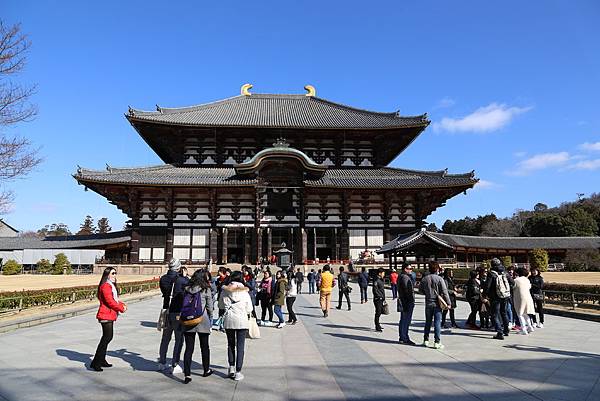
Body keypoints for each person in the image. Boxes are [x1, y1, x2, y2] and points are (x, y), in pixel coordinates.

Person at [219, 271, 253, 381]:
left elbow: (220, 305)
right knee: (240, 346)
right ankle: (238, 371)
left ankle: (231, 367)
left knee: (230, 344)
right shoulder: (245, 292)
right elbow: (250, 309)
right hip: (242, 320)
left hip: (229, 319)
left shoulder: (225, 291)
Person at [181, 269, 214, 383]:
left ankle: (187, 374)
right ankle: (206, 370)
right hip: (202, 319)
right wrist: (211, 319)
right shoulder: (206, 289)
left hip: (189, 320)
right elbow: (210, 307)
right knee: (205, 347)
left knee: (189, 348)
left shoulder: (187, 289)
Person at [91, 267, 127, 371]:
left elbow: (114, 300)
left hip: (109, 315)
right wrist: (121, 308)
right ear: (107, 275)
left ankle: (101, 360)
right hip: (105, 315)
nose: (115, 275)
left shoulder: (109, 285)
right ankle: (96, 362)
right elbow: (110, 302)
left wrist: (122, 305)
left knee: (106, 338)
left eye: (115, 273)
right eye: (113, 273)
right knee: (107, 338)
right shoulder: (106, 286)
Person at [158, 258, 189, 373]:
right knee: (179, 339)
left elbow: (164, 292)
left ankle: (162, 362)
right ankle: (175, 364)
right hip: (177, 311)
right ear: (178, 267)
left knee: (165, 338)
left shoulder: (163, 279)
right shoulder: (181, 280)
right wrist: (185, 276)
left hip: (166, 310)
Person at [419, 262, 450, 349]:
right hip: (437, 303)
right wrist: (448, 303)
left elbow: (420, 290)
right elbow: (445, 292)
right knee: (437, 322)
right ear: (436, 269)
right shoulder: (440, 279)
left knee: (428, 322)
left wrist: (427, 293)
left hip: (428, 302)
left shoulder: (425, 279)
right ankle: (437, 342)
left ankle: (426, 340)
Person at [484, 258, 511, 340]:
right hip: (505, 295)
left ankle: (500, 332)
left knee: (495, 314)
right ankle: (506, 330)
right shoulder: (505, 272)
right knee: (504, 312)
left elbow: (487, 286)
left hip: (495, 297)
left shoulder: (491, 273)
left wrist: (485, 295)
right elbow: (512, 283)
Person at [513, 267, 536, 335]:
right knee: (525, 313)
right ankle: (530, 327)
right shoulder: (527, 280)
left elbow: (513, 287)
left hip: (519, 298)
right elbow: (529, 287)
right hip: (528, 297)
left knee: (520, 314)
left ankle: (523, 329)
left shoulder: (516, 280)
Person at [397, 263, 415, 345]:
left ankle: (402, 336)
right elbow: (407, 290)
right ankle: (404, 337)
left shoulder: (401, 276)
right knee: (406, 320)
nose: (411, 270)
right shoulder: (405, 277)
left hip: (403, 300)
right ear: (405, 269)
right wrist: (410, 300)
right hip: (406, 301)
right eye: (410, 269)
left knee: (403, 320)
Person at [372, 268, 386, 332]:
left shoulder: (381, 279)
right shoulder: (376, 280)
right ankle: (377, 326)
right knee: (378, 312)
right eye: (383, 273)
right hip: (378, 299)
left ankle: (378, 324)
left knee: (380, 312)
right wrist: (379, 296)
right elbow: (374, 290)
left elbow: (382, 290)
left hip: (381, 298)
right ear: (380, 273)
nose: (384, 274)